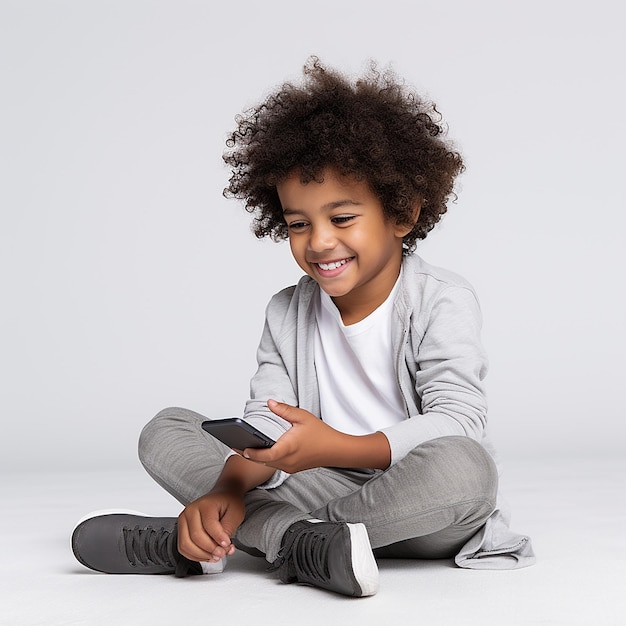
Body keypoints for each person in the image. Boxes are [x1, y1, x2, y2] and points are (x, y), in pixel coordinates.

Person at [71, 57, 534, 597]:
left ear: (402, 213)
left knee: (467, 469)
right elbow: (264, 425)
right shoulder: (287, 310)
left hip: (414, 503)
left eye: (342, 219)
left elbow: (458, 422)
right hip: (310, 484)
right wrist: (229, 487)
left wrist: (337, 445)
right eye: (297, 224)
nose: (318, 242)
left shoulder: (441, 299)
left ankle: (230, 538)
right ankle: (299, 542)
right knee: (166, 428)